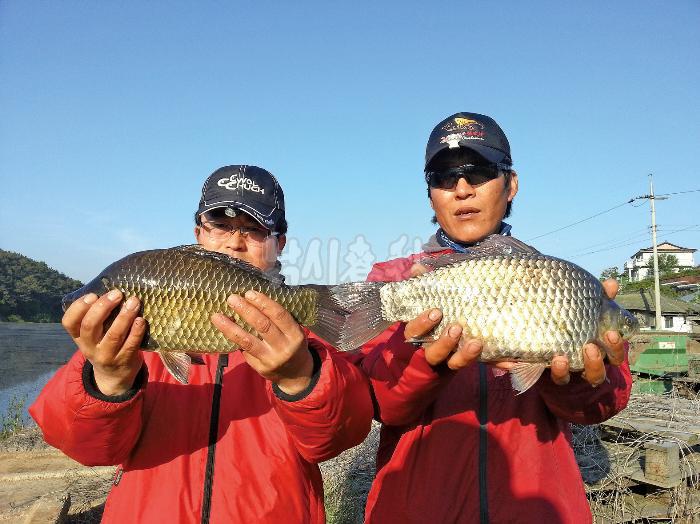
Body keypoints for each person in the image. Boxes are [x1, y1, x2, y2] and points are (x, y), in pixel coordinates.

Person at [30, 165, 373, 523]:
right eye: (220, 225)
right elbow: (86, 448)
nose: (234, 242)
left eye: (254, 230)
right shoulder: (120, 342)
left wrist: (300, 375)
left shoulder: (309, 343)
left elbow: (338, 439)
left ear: (279, 243)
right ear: (198, 235)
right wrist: (109, 378)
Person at [357, 113, 632, 523]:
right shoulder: (395, 280)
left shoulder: (558, 280)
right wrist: (425, 362)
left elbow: (606, 401)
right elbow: (378, 405)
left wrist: (573, 382)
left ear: (511, 185)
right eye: (445, 178)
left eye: (480, 172)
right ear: (430, 194)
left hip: (537, 508)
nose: (462, 190)